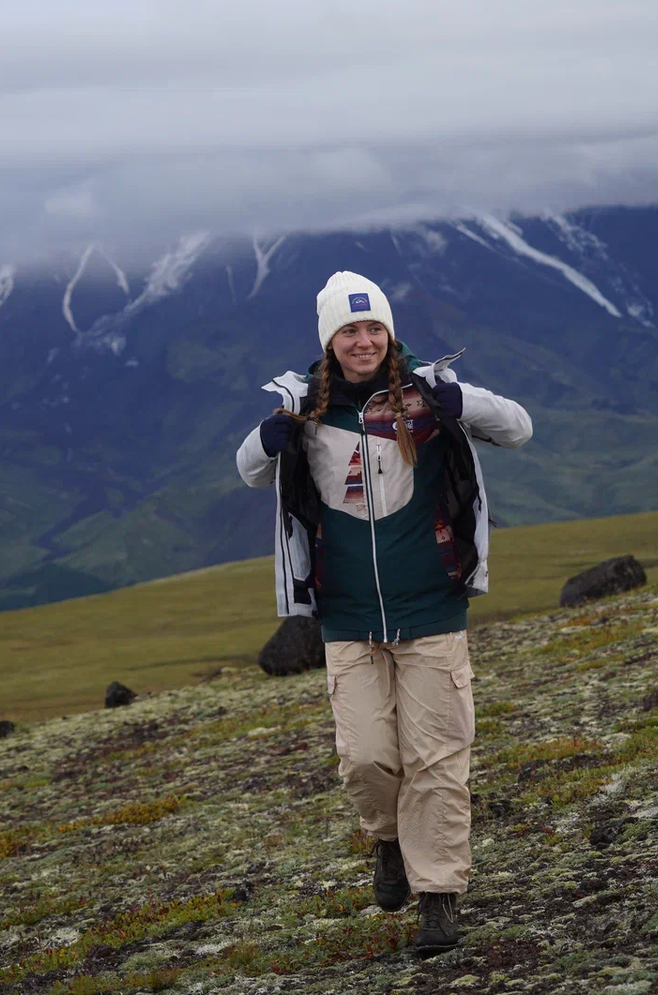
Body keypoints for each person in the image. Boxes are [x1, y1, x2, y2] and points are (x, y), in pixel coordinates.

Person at [236, 270, 532, 954]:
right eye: (349, 330)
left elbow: (518, 428)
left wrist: (464, 403)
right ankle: (389, 842)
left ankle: (438, 897)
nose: (363, 341)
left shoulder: (427, 393)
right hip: (345, 615)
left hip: (431, 604)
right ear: (329, 340)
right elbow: (249, 466)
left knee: (436, 759)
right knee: (367, 759)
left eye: (373, 328)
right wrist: (266, 438)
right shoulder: (302, 409)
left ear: (388, 333)